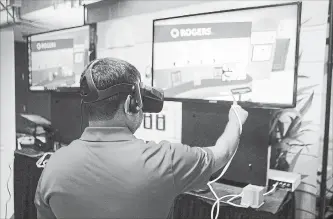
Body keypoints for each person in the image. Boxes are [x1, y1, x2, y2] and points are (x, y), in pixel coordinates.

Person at [35, 58, 248, 219]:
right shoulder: (166, 160)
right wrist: (236, 120)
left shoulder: (53, 166)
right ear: (132, 103)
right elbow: (223, 152)